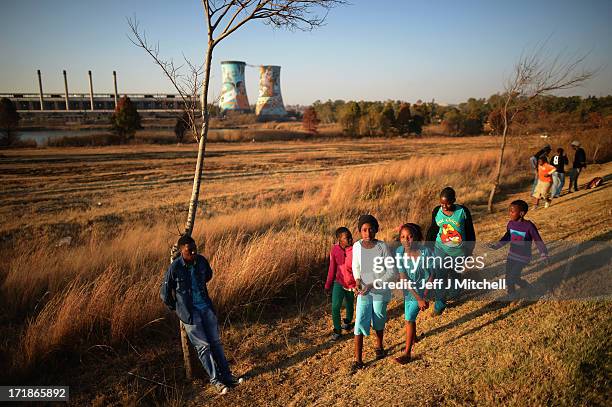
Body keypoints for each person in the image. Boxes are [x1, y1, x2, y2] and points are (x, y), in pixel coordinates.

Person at [160, 235, 242, 395]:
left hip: (206, 308)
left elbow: (208, 275)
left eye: (195, 248)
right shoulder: (175, 268)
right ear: (181, 251)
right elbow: (164, 294)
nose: (193, 251)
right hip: (190, 315)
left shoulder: (201, 261)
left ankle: (228, 377)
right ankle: (216, 381)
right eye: (189, 250)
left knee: (216, 343)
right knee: (204, 348)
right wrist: (178, 309)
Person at [351, 214, 396, 372]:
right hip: (364, 290)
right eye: (364, 230)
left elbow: (391, 272)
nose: (367, 233)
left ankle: (379, 346)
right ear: (359, 231)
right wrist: (357, 281)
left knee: (378, 318)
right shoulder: (356, 246)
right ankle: (358, 360)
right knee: (360, 322)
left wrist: (373, 284)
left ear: (376, 230)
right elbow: (356, 266)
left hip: (379, 289)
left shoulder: (382, 247)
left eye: (371, 229)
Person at [394, 223, 440, 365]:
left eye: (409, 236)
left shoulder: (425, 252)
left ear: (416, 238)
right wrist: (418, 298)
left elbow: (432, 274)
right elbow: (404, 278)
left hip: (423, 288)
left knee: (409, 319)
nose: (406, 240)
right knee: (408, 316)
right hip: (409, 290)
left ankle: (407, 353)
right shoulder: (399, 252)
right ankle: (413, 338)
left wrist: (424, 296)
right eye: (402, 237)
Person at [425, 187, 476, 315]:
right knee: (440, 277)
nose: (445, 206)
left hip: (459, 251)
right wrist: (427, 246)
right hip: (440, 248)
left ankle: (455, 292)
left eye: (447, 203)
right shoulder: (437, 211)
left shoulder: (462, 211)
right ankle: (439, 305)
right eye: (442, 203)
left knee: (454, 274)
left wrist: (470, 250)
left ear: (454, 200)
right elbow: (433, 229)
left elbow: (470, 232)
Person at [491, 200, 548, 295]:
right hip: (512, 255)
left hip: (523, 257)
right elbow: (507, 236)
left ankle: (523, 288)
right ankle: (512, 293)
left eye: (512, 211)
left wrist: (543, 254)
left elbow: (538, 240)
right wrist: (497, 246)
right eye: (509, 211)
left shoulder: (529, 226)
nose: (510, 213)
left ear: (521, 213)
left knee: (512, 277)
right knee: (508, 277)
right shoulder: (510, 224)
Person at [324, 226, 356, 342]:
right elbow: (332, 268)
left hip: (352, 284)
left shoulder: (354, 249)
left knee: (349, 304)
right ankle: (337, 331)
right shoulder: (334, 250)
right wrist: (328, 284)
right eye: (347, 238)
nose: (350, 239)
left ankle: (347, 321)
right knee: (335, 306)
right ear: (339, 240)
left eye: (350, 236)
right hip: (338, 282)